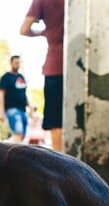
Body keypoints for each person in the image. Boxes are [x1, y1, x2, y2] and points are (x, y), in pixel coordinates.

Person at [20, 0, 64, 151]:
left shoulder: (42, 1)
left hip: (55, 66)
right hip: (83, 63)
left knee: (57, 122)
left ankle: (63, 167)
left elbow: (24, 29)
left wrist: (44, 32)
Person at [0, 55, 30, 144]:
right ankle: (1, 148)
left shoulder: (21, 77)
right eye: (16, 63)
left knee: (21, 137)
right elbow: (1, 94)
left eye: (19, 63)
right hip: (12, 109)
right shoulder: (6, 77)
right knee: (18, 133)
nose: (18, 65)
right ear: (11, 63)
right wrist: (1, 111)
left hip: (22, 110)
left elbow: (24, 94)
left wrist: (31, 108)